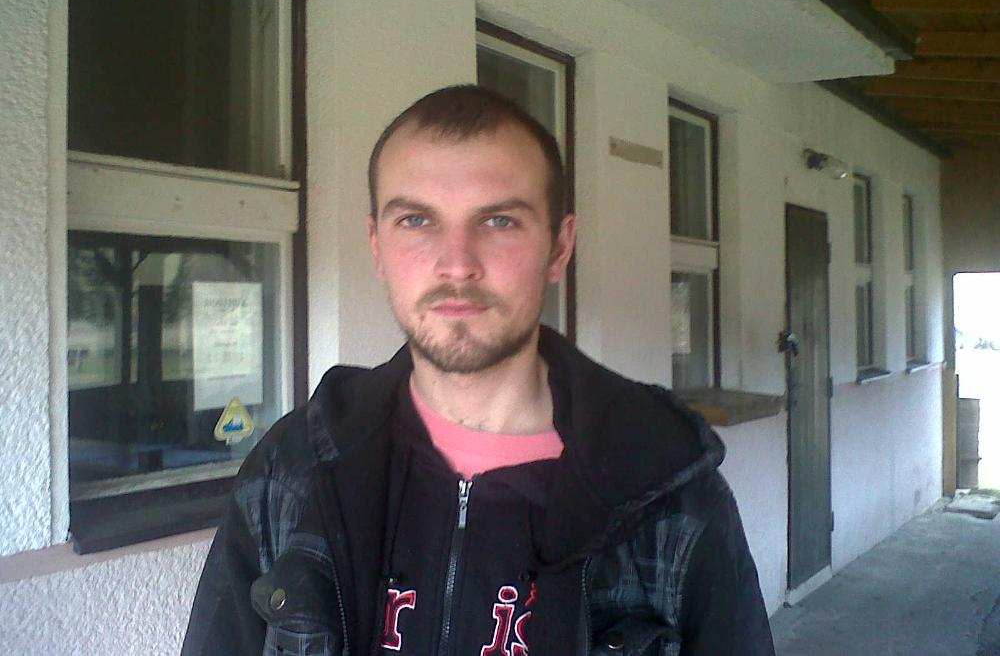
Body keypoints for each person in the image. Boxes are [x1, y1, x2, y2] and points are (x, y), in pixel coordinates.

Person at [181, 85, 775, 656]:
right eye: (417, 221)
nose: (457, 264)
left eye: (499, 221)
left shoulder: (669, 498)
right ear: (377, 246)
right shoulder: (293, 470)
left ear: (559, 247)